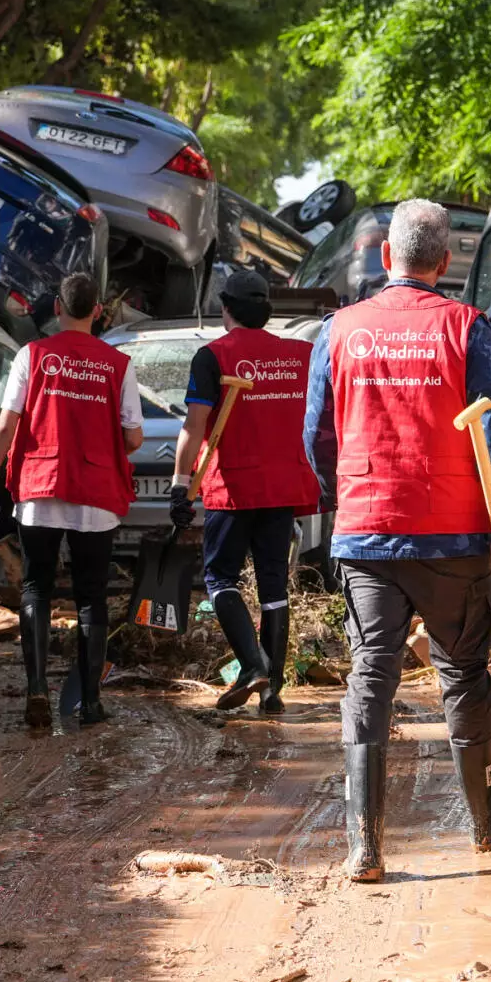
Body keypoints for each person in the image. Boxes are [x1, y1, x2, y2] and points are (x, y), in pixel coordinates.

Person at [303, 198, 491, 883]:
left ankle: (365, 847)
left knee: (370, 676)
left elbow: (317, 435)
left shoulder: (338, 330)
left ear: (386, 257)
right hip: (452, 538)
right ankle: (489, 817)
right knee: (463, 672)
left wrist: (344, 496)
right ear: (447, 262)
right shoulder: (465, 326)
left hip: (367, 534)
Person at [0, 271, 141, 728]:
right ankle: (89, 702)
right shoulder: (118, 364)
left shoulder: (33, 355)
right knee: (91, 597)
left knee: (36, 587)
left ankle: (36, 691)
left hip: (40, 484)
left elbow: (7, 425)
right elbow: (132, 439)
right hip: (95, 491)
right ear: (98, 312)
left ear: (57, 309)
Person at [169, 268, 317, 714]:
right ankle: (273, 691)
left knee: (219, 580)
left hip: (232, 486)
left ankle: (252, 665)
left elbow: (194, 428)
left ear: (225, 309)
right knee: (274, 587)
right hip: (282, 487)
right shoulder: (301, 355)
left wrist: (179, 486)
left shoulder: (212, 356)